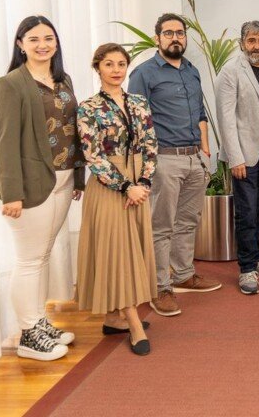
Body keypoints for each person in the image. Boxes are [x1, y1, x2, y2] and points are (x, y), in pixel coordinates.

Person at [0, 16, 84, 361]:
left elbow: (71, 131)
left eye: (48, 38)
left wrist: (77, 178)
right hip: (31, 186)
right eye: (34, 39)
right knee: (29, 260)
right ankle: (28, 335)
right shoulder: (11, 84)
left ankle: (40, 322)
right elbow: (4, 143)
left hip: (61, 182)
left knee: (43, 256)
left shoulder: (63, 79)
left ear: (56, 43)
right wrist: (11, 193)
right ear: (20, 44)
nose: (42, 44)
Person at [128, 13, 221, 318]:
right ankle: (160, 287)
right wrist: (144, 164)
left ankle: (183, 275)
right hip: (164, 159)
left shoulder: (192, 71)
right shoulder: (144, 73)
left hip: (194, 158)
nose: (175, 38)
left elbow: (199, 113)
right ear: (157, 39)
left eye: (179, 33)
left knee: (188, 221)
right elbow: (136, 122)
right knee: (161, 226)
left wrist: (205, 151)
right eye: (168, 33)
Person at [77, 44, 157, 355]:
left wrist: (145, 181)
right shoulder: (88, 107)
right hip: (110, 187)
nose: (116, 69)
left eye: (121, 63)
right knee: (119, 253)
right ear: (97, 68)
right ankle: (135, 325)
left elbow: (150, 144)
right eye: (108, 64)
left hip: (140, 184)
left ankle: (114, 318)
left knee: (130, 250)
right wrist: (126, 187)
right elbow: (93, 157)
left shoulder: (138, 102)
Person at [215, 22, 259, 295]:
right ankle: (246, 269)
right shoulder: (231, 71)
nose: (257, 45)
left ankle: (257, 258)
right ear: (242, 42)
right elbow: (225, 117)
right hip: (245, 157)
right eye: (251, 40)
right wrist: (235, 157)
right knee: (246, 213)